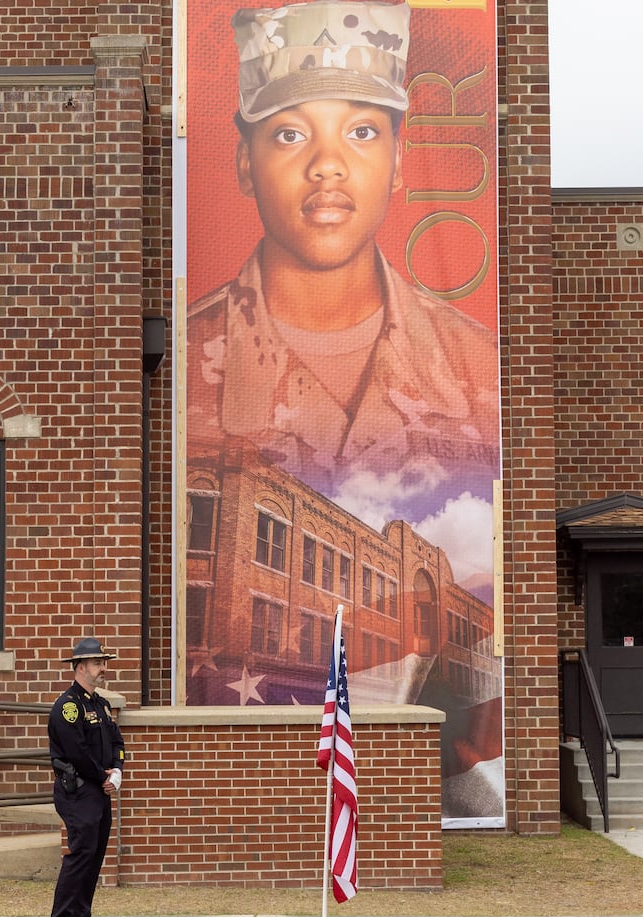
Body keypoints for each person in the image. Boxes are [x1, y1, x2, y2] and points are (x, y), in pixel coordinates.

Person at [187, 0, 500, 527]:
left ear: (398, 162)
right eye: (291, 134)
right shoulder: (179, 367)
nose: (327, 165)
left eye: (361, 132)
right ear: (246, 165)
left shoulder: (482, 369)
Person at [45, 637, 125, 917]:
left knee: (94, 855)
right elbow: (76, 751)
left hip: (100, 790)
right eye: (97, 663)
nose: (103, 668)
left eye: (104, 663)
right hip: (78, 791)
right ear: (80, 667)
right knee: (80, 855)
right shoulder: (68, 706)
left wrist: (116, 771)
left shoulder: (100, 705)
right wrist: (101, 775)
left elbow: (117, 742)